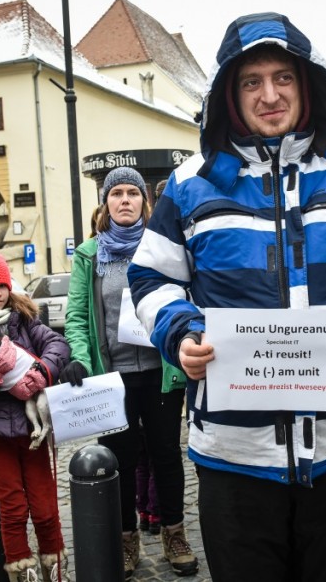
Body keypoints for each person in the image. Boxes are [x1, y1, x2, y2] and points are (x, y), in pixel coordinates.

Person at [127, 12, 326, 582]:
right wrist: (180, 331)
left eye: (283, 78)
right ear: (229, 95)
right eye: (251, 82)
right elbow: (151, 278)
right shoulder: (192, 183)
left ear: (306, 83)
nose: (269, 95)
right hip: (233, 454)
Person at [62, 166, 197, 579]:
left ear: (145, 201)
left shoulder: (164, 249)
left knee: (165, 454)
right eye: (116, 193)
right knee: (118, 459)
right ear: (105, 203)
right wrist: (81, 358)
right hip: (112, 377)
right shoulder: (89, 254)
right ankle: (124, 540)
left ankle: (174, 533)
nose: (124, 200)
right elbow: (78, 317)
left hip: (160, 371)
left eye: (132, 193)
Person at [0, 250, 71, 582]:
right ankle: (22, 571)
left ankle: (54, 569)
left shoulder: (23, 317)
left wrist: (41, 371)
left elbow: (58, 346)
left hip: (30, 432)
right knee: (12, 508)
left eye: (2, 285)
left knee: (46, 506)